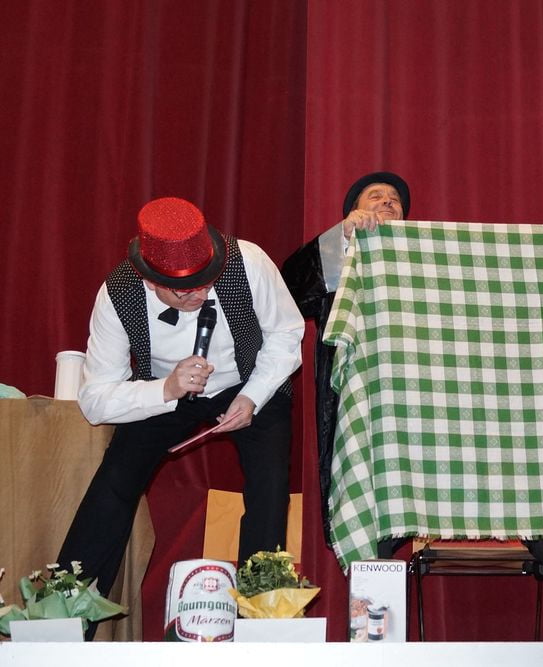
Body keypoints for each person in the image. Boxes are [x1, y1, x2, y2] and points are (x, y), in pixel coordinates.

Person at [58, 196, 304, 631]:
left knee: (269, 485)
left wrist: (254, 396)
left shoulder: (248, 261)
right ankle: (64, 616)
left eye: (207, 283)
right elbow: (95, 400)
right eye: (185, 290)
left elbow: (286, 333)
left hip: (249, 381)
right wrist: (166, 389)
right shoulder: (118, 294)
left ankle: (263, 621)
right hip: (163, 390)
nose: (201, 295)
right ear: (149, 280)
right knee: (115, 483)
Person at [281, 172, 410, 557]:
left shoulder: (423, 258)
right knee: (356, 475)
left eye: (394, 199)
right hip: (354, 390)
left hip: (408, 392)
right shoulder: (337, 251)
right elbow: (290, 290)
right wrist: (341, 236)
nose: (387, 201)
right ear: (354, 210)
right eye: (376, 196)